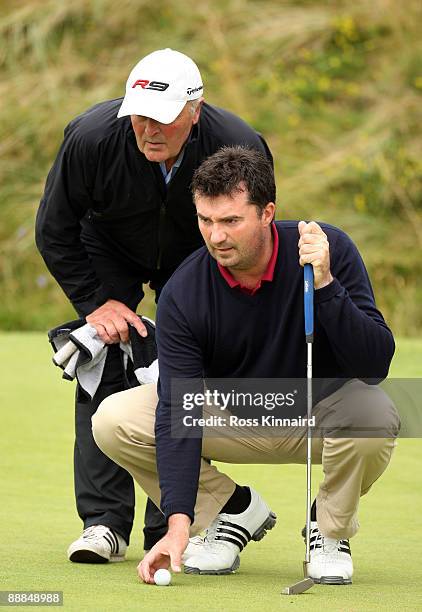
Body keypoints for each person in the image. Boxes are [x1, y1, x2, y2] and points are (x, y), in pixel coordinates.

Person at [92, 146, 400, 584]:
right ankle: (227, 512)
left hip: (317, 412)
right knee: (114, 420)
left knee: (377, 412)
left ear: (267, 212)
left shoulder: (328, 251)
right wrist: (178, 523)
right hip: (230, 414)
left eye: (231, 221)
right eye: (206, 221)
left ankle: (328, 531)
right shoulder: (185, 290)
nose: (216, 236)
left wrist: (328, 285)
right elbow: (179, 406)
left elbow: (374, 365)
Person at [35, 49, 273, 563]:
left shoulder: (237, 144)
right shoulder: (92, 137)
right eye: (138, 115)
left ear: (195, 108)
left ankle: (170, 522)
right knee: (104, 359)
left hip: (199, 253)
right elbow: (53, 229)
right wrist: (96, 303)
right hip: (108, 247)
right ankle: (103, 524)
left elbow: (249, 228)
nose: (148, 129)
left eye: (161, 118)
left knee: (182, 371)